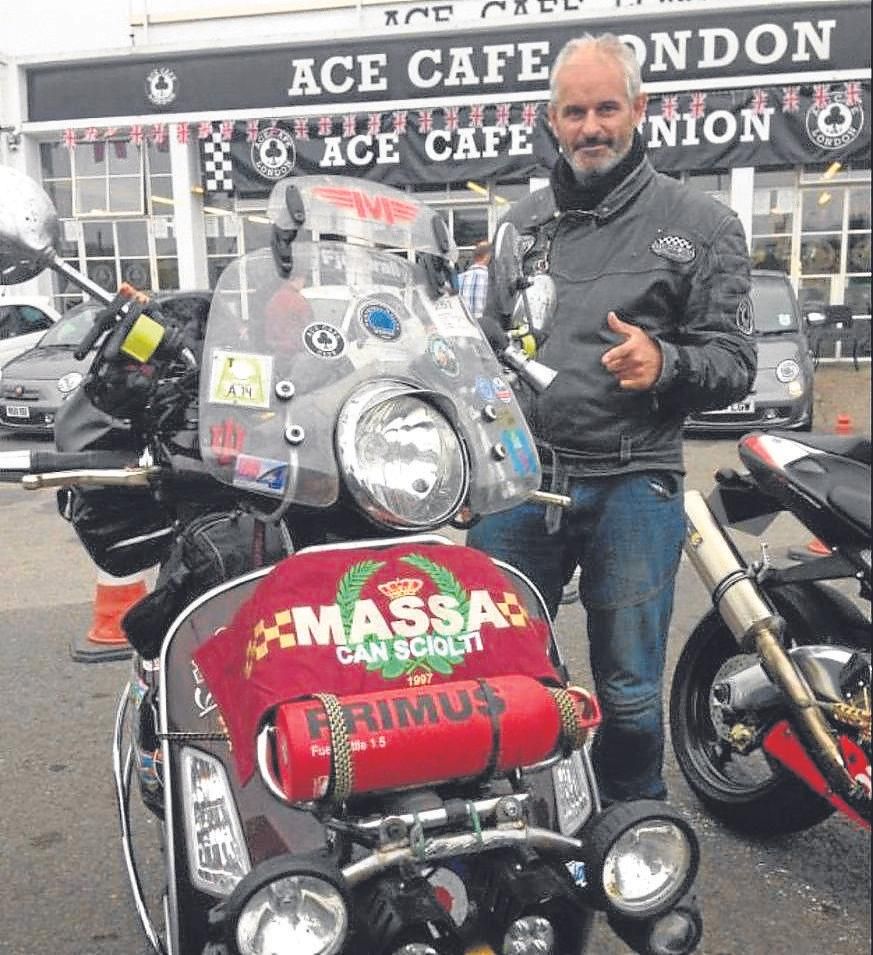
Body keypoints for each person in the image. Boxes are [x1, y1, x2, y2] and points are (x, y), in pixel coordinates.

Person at [467, 33, 757, 805]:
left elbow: (734, 360)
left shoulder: (701, 223)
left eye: (605, 108)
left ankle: (635, 833)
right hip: (524, 488)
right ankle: (517, 829)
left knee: (628, 695)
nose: (590, 126)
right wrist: (473, 461)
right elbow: (485, 355)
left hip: (635, 482)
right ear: (550, 121)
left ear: (638, 109)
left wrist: (665, 363)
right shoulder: (518, 226)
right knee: (497, 677)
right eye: (573, 112)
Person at [458, 239, 491, 319]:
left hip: (463, 327)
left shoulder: (459, 279)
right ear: (488, 257)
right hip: (484, 328)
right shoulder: (491, 280)